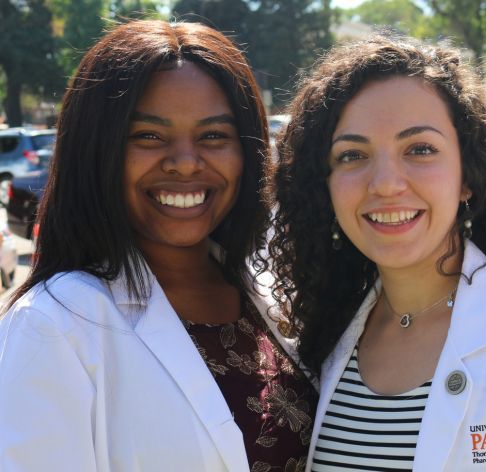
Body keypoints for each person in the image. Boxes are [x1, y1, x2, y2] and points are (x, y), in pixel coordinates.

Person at [0, 20, 317, 471]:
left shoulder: (270, 294)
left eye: (213, 136)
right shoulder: (54, 324)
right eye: (148, 135)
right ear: (97, 151)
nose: (186, 163)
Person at [268, 32, 486, 471]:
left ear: (467, 176)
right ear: (325, 188)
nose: (386, 183)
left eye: (420, 149)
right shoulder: (323, 337)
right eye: (353, 155)